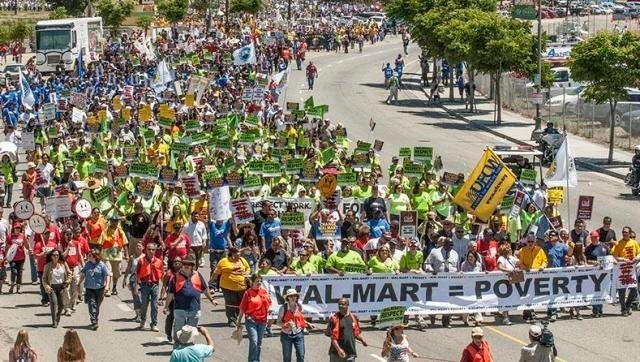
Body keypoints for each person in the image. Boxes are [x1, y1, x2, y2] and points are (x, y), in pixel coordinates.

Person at [164, 253, 217, 339]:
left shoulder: (198, 275)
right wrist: (166, 306)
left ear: (192, 266)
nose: (186, 266)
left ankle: (188, 348)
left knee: (191, 332)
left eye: (189, 264)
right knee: (179, 331)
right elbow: (170, 293)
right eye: (184, 264)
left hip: (194, 309)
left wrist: (212, 300)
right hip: (180, 309)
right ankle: (177, 349)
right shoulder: (175, 277)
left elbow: (205, 289)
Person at [236, 273, 272, 362]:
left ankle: (257, 360)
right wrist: (239, 320)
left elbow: (269, 302)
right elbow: (242, 308)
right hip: (251, 321)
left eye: (260, 281)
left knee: (259, 343)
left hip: (263, 321)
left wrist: (270, 308)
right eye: (257, 281)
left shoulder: (264, 291)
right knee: (254, 342)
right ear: (252, 282)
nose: (259, 282)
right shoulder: (248, 293)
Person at [212, 247, 250, 326]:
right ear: (232, 254)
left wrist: (247, 273)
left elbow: (247, 268)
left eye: (239, 255)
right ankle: (232, 320)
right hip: (227, 287)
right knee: (230, 303)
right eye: (237, 255)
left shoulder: (242, 260)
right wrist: (210, 282)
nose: (239, 256)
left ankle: (237, 318)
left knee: (240, 304)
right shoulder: (224, 261)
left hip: (242, 286)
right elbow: (216, 273)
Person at [277, 288, 316, 362]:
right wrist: (286, 324)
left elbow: (300, 319)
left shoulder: (299, 306)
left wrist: (308, 323)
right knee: (287, 358)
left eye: (294, 296)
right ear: (287, 298)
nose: (293, 298)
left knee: (301, 355)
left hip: (298, 334)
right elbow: (278, 322)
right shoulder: (283, 308)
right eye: (290, 296)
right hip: (286, 335)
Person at [518, 232, 548, 323]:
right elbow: (520, 263)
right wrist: (525, 268)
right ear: (526, 242)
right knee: (527, 295)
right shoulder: (522, 250)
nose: (530, 243)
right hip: (527, 276)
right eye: (529, 241)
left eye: (532, 241)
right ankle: (527, 312)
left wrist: (542, 266)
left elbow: (545, 260)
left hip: (537, 276)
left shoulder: (540, 250)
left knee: (534, 294)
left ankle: (531, 311)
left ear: (535, 242)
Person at [326, 297, 367, 362]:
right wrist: (339, 350)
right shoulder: (334, 319)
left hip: (350, 353)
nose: (340, 306)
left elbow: (355, 333)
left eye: (343, 304)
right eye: (339, 304)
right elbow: (333, 338)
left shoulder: (354, 318)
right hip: (336, 354)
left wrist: (362, 340)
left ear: (347, 305)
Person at [611, 226, 640, 316]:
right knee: (622, 291)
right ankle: (623, 309)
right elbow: (615, 256)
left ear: (629, 233)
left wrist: (637, 258)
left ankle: (628, 306)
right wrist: (623, 259)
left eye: (626, 232)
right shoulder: (618, 244)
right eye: (623, 232)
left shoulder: (634, 243)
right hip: (622, 269)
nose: (624, 233)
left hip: (632, 270)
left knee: (634, 290)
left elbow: (639, 253)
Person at [136, 242, 164, 331]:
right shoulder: (141, 261)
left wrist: (165, 286)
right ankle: (143, 321)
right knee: (144, 305)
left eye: (153, 249)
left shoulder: (159, 261)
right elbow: (137, 273)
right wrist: (136, 285)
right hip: (144, 285)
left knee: (154, 305)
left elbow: (161, 274)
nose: (151, 251)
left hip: (155, 284)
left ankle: (154, 324)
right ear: (146, 250)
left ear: (155, 251)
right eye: (149, 249)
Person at [79, 249, 109, 330]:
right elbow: (83, 274)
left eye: (90, 255)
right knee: (92, 304)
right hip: (89, 288)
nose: (88, 257)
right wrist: (79, 283)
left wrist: (107, 286)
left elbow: (107, 275)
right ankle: (94, 321)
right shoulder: (87, 264)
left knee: (97, 305)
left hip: (100, 288)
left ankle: (95, 319)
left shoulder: (102, 265)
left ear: (95, 257)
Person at [42, 250, 72, 328]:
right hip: (52, 288)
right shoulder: (47, 266)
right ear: (51, 256)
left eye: (57, 255)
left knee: (61, 305)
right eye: (54, 255)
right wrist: (46, 286)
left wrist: (68, 281)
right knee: (54, 304)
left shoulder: (63, 264)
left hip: (61, 287)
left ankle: (57, 318)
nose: (56, 256)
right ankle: (54, 321)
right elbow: (44, 278)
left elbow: (69, 273)